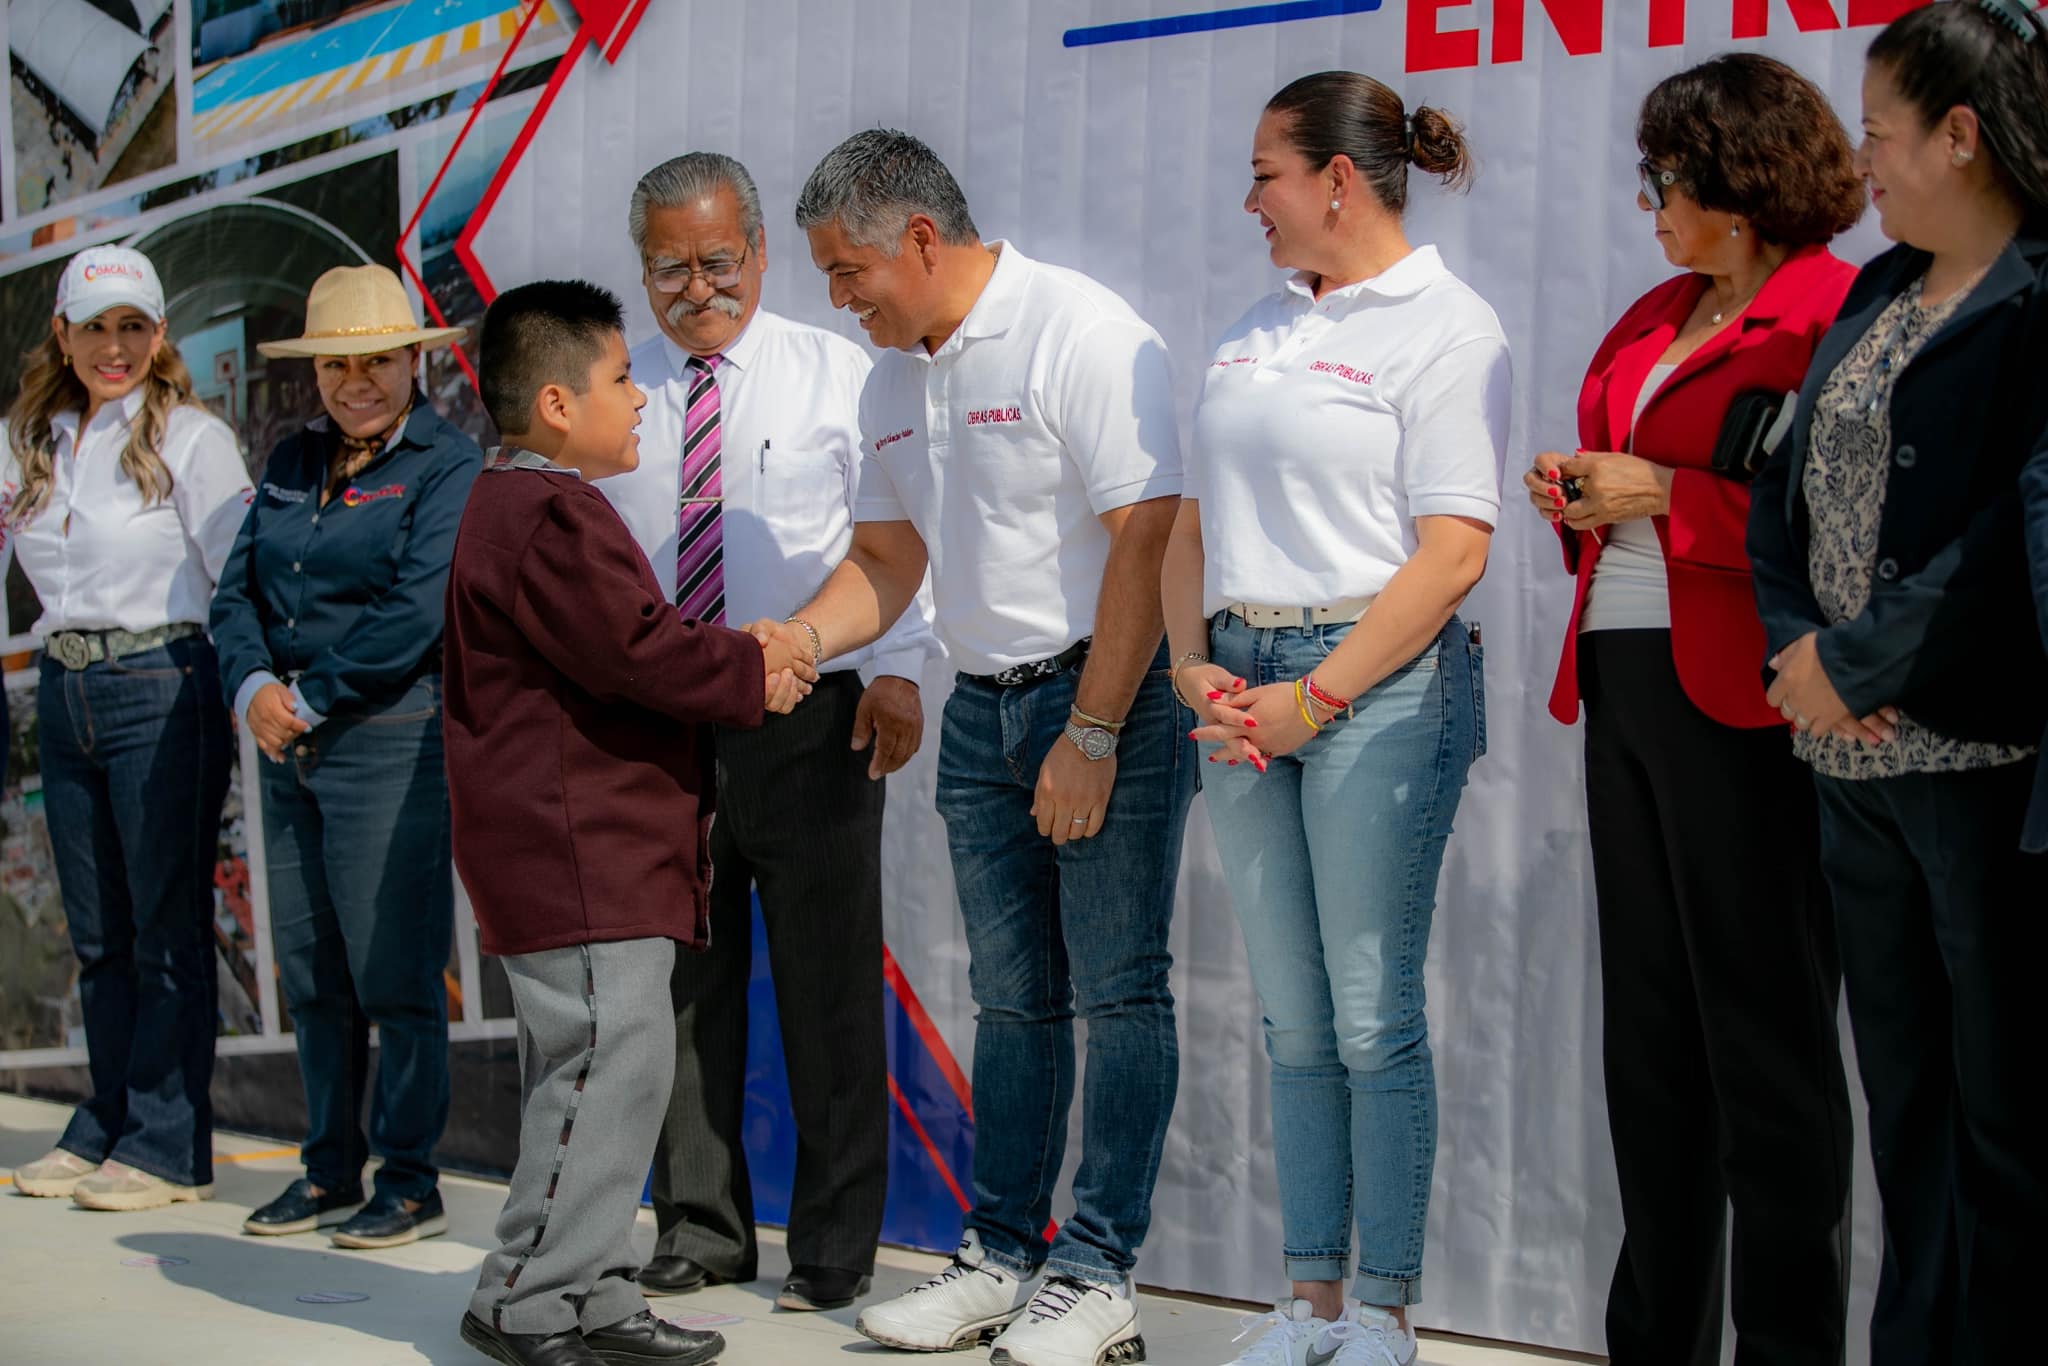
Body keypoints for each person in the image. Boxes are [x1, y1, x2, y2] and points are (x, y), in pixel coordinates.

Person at [781, 129, 1192, 1366]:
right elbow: (887, 562)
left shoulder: (1078, 326)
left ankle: (1100, 1271)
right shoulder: (888, 381)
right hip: (975, 715)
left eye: (847, 272)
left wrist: (1094, 727)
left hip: (1101, 698)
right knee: (1013, 1000)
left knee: (1119, 992)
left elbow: (1146, 531)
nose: (838, 301)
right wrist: (796, 637)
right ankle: (1002, 1253)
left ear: (919, 236)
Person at [1517, 55, 1865, 1366]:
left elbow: (1835, 523)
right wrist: (1578, 490)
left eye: (1670, 180)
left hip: (1753, 699)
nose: (1652, 204)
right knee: (1651, 1042)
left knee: (1765, 1044)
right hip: (1627, 682)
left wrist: (1665, 496)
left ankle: (1787, 1345)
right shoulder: (1658, 306)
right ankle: (1652, 1338)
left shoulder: (1834, 307)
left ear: (1742, 182)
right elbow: (1620, 455)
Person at [1163, 74, 1505, 1366]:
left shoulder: (1446, 325)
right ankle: (1307, 1298)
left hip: (1374, 684)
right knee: (1293, 1019)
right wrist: (1194, 664)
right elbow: (1193, 521)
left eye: (1266, 171)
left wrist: (1321, 693)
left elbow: (1452, 553)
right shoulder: (1252, 324)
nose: (1250, 198)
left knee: (1370, 1014)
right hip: (1244, 680)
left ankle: (1385, 1309)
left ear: (1337, 182)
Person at [1745, 5, 2048, 1362]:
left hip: (1977, 767)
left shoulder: (2037, 301)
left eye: (1880, 133)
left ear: (1961, 136)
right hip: (1847, 771)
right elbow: (1782, 491)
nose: (1864, 161)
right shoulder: (1873, 290)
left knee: (2009, 1122)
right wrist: (1801, 649)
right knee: (1906, 1114)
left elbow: (2013, 535)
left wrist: (1865, 659)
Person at [447, 279, 816, 1366]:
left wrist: (739, 653)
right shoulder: (548, 511)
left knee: (619, 1072)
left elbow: (631, 638)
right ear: (558, 403)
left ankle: (593, 1289)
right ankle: (521, 1293)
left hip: (584, 849)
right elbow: (641, 652)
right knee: (601, 1069)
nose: (640, 399)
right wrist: (759, 663)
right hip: (575, 851)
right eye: (619, 380)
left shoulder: (522, 504)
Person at [603, 152, 940, 1313]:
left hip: (817, 715)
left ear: (754, 249)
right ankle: (698, 1228)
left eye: (717, 261)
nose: (697, 288)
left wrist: (894, 672)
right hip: (662, 735)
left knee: (825, 991)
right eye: (668, 270)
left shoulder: (837, 372)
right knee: (683, 996)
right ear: (640, 272)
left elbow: (902, 540)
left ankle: (835, 1247)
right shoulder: (617, 399)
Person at [207, 264, 481, 1249]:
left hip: (386, 739)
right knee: (312, 971)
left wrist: (308, 696)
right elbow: (232, 594)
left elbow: (416, 608)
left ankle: (409, 1181)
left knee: (394, 974)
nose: (355, 380)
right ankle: (327, 1170)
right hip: (287, 744)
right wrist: (252, 690)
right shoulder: (287, 459)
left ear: (414, 360)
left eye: (377, 360)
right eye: (336, 363)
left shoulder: (449, 464)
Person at [1, 245, 249, 1209]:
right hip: (64, 691)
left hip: (163, 683)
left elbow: (236, 571)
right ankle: (105, 1120)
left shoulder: (191, 436)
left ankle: (165, 1144)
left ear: (159, 334)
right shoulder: (31, 440)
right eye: (96, 327)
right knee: (99, 934)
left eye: (133, 327)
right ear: (61, 335)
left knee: (164, 925)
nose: (115, 346)